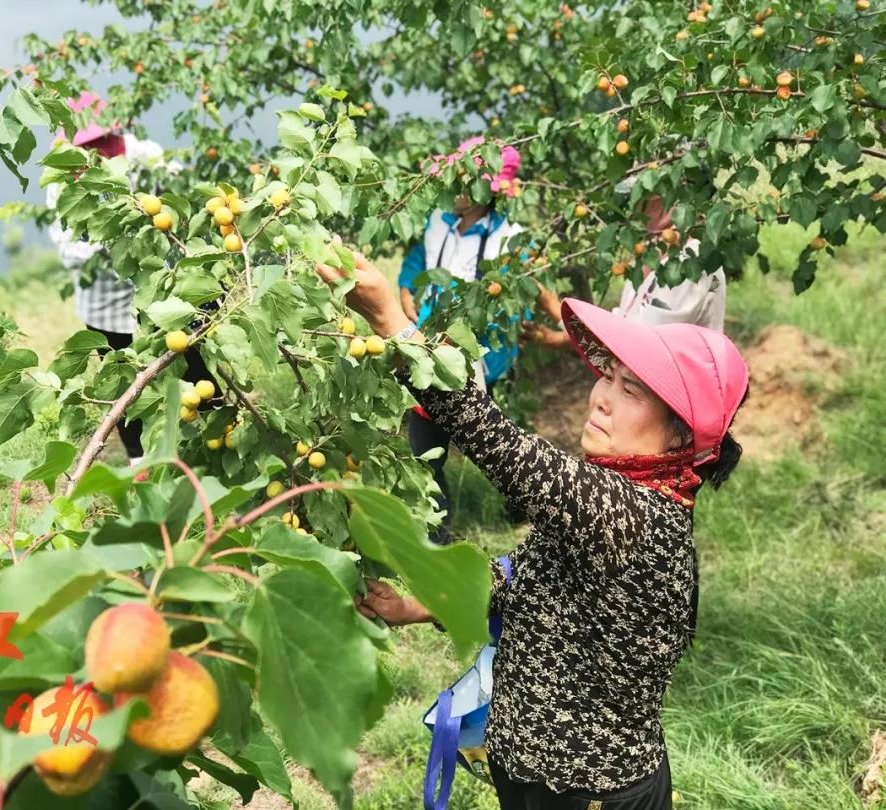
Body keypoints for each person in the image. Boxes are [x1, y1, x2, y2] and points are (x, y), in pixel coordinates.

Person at [315, 251, 750, 810]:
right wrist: (421, 605)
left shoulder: (635, 516)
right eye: (608, 377)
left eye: (632, 391)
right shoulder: (615, 499)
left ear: (680, 437)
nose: (601, 398)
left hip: (589, 791)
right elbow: (528, 576)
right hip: (531, 773)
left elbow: (501, 446)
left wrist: (392, 325)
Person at [46, 91, 214, 465]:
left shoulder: (140, 154)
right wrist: (114, 241)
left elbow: (180, 187)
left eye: (104, 140)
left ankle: (221, 430)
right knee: (121, 379)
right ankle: (139, 461)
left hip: (159, 285)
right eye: (87, 145)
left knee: (194, 357)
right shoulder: (64, 180)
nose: (99, 151)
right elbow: (67, 247)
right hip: (104, 296)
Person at [398, 137, 529, 544]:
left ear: (485, 191)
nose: (452, 187)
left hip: (482, 360)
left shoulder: (511, 239)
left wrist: (474, 347)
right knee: (424, 449)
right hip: (429, 351)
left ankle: (523, 508)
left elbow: (514, 310)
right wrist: (405, 287)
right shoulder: (439, 222)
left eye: (462, 179)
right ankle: (434, 539)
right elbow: (418, 258)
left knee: (498, 449)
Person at [524, 194, 727, 352]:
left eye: (650, 197)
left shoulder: (690, 262)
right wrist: (560, 339)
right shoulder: (650, 255)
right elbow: (623, 326)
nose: (638, 205)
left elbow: (636, 349)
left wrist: (558, 311)